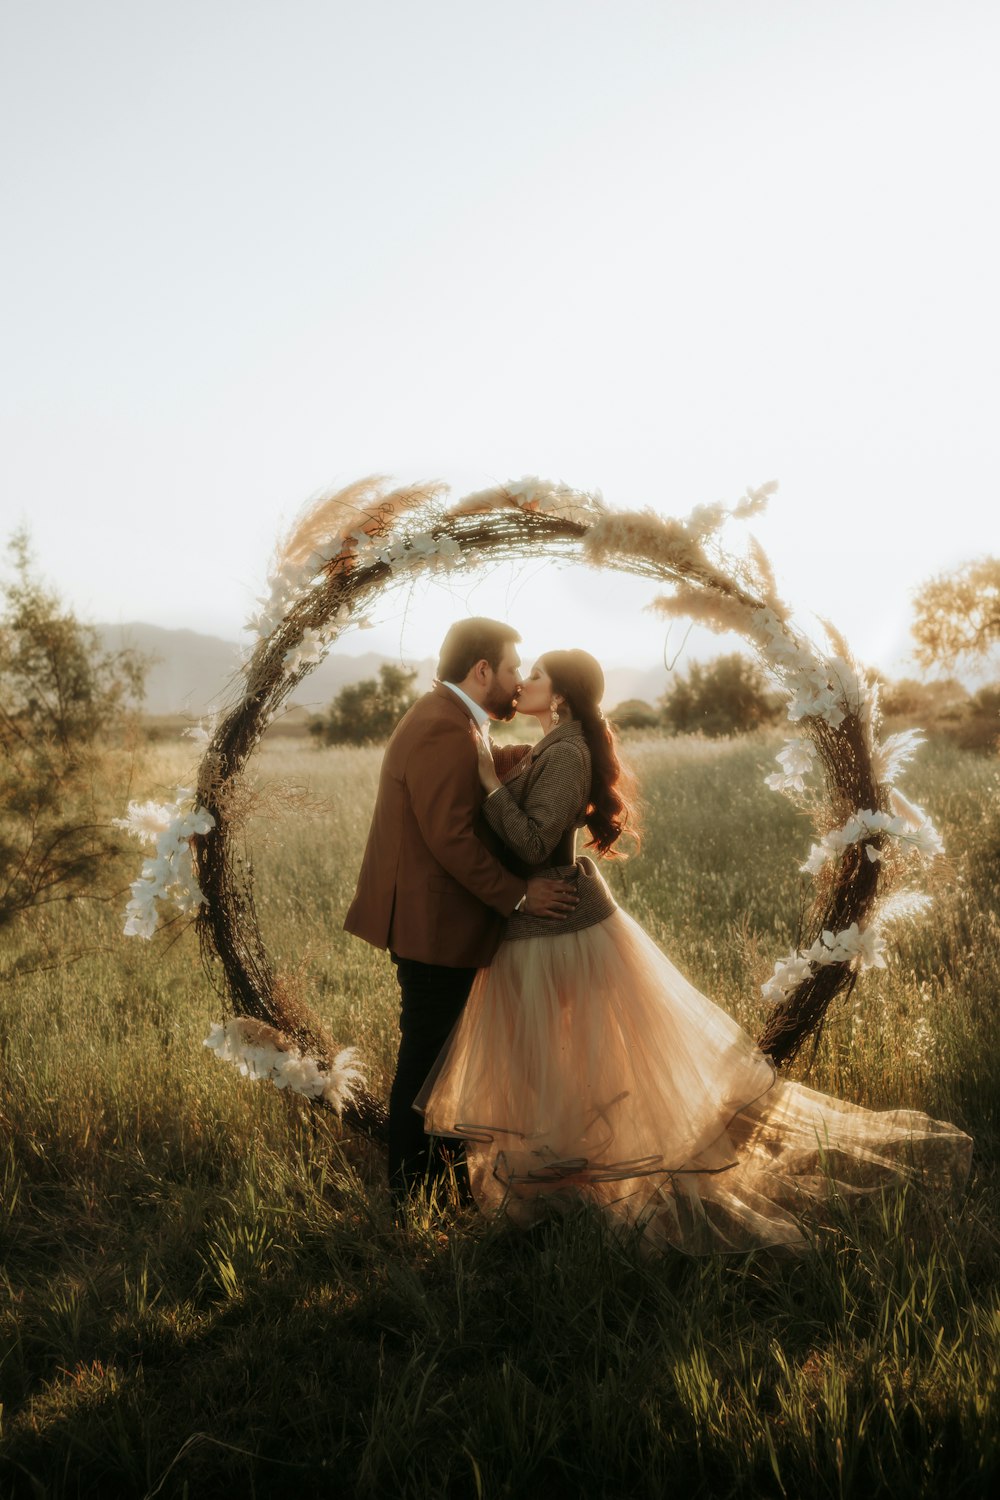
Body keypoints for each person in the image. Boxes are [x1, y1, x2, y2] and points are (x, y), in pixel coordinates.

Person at [416, 649, 973, 1255]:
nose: (523, 682)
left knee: (571, 1065)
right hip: (539, 926)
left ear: (565, 694)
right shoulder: (556, 745)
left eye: (538, 675)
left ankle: (589, 1193)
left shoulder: (571, 750)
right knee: (557, 1067)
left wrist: (489, 782)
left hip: (558, 930)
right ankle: (563, 1191)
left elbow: (530, 838)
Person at [344, 618, 579, 1202]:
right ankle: (409, 1201)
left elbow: (481, 761)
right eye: (509, 669)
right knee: (428, 1064)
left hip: (439, 922)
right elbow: (451, 837)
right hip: (432, 926)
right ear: (481, 671)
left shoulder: (453, 720)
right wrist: (520, 894)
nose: (517, 681)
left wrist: (555, 748)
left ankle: (441, 1193)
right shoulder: (441, 728)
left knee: (442, 1062)